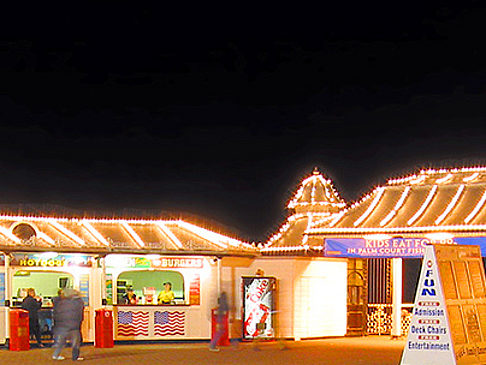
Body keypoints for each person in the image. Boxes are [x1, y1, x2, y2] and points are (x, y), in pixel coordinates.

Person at [51, 289, 84, 361]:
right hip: (74, 325)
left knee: (61, 342)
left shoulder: (60, 302)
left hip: (63, 325)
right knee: (76, 342)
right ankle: (75, 357)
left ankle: (55, 355)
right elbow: (80, 314)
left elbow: (57, 313)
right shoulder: (78, 302)